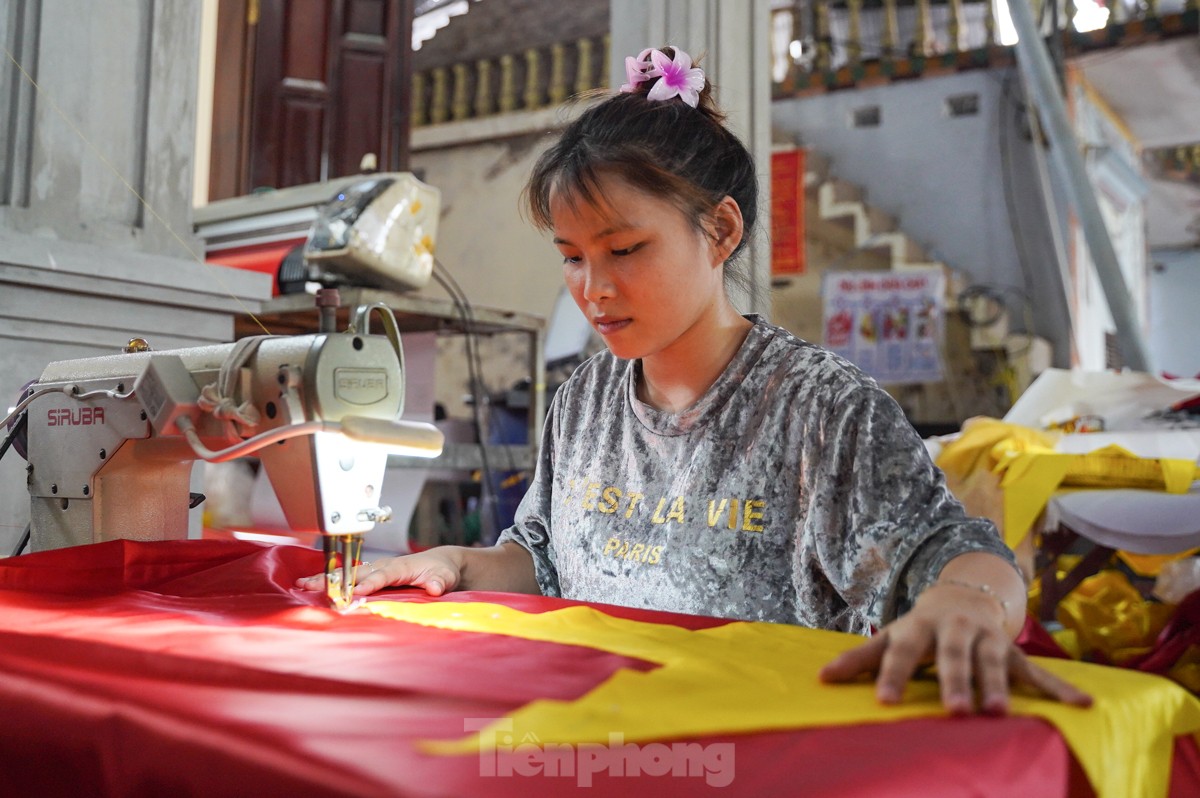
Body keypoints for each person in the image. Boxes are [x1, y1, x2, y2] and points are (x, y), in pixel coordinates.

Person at [298, 46, 1090, 714]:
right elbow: (541, 558)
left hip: (771, 747)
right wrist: (459, 566)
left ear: (721, 230)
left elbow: (958, 555)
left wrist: (972, 603)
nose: (592, 288)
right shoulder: (585, 400)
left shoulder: (820, 410)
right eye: (572, 256)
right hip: (607, 732)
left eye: (624, 249)